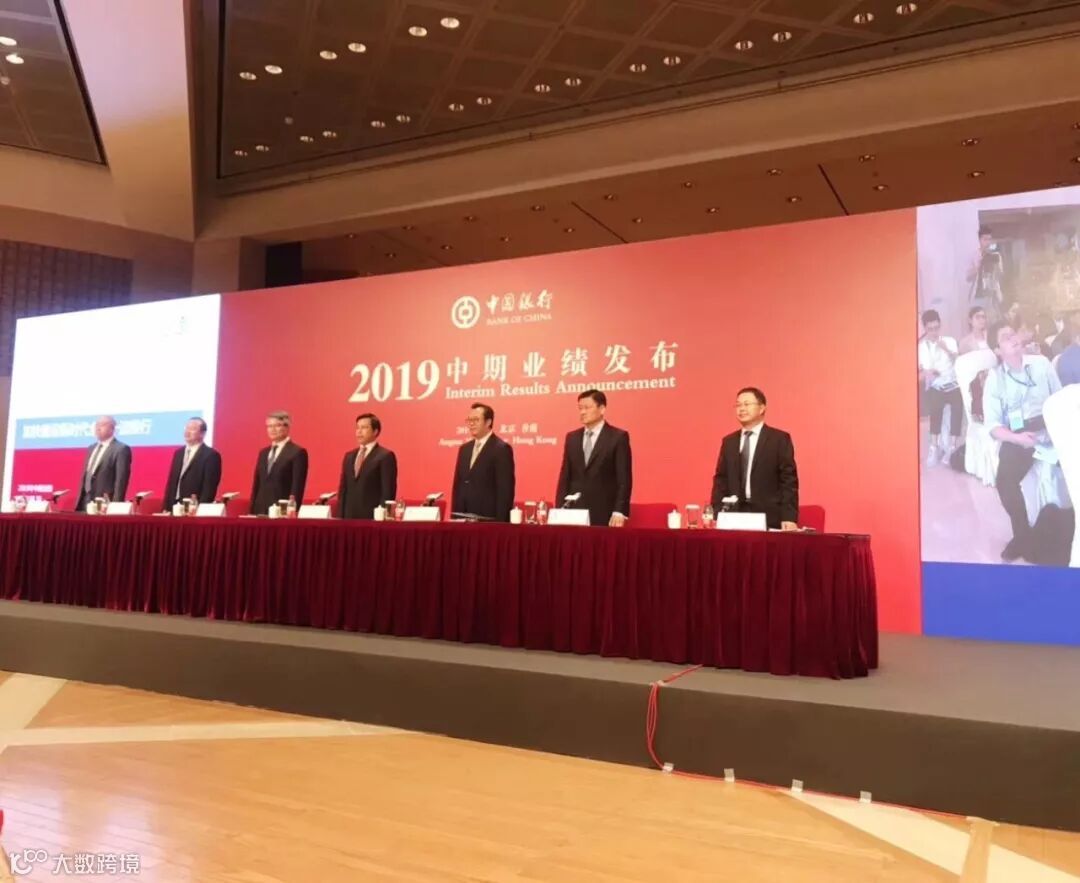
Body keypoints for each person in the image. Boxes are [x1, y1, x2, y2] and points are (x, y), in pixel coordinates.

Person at [982, 321, 1062, 562]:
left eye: (1013, 334)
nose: (1013, 338)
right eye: (1005, 338)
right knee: (1004, 482)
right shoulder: (995, 379)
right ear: (998, 350)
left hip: (1050, 424)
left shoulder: (1041, 363)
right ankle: (1022, 535)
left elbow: (1059, 398)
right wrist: (1017, 438)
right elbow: (993, 426)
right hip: (1018, 433)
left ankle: (1063, 528)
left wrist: (1054, 430)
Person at [709, 387, 799, 530]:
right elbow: (721, 480)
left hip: (769, 516)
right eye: (738, 405)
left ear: (762, 408)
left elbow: (788, 481)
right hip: (733, 516)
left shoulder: (779, 439)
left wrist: (789, 517)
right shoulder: (729, 442)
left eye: (747, 404)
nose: (741, 409)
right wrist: (716, 513)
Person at [555, 390, 632, 527]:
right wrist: (560, 507)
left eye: (587, 408)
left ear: (602, 409)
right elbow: (565, 475)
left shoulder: (617, 437)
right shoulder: (572, 438)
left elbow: (624, 479)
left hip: (605, 511)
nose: (582, 412)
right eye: (580, 408)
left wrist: (619, 511)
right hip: (574, 511)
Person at [451, 403, 515, 522]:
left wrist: (501, 524)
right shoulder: (464, 449)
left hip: (488, 521)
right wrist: (454, 518)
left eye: (476, 420)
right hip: (462, 519)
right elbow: (457, 487)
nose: (471, 424)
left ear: (488, 422)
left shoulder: (501, 449)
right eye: (469, 420)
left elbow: (505, 491)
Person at [918, 310, 963, 467]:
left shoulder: (949, 341)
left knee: (957, 409)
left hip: (953, 383)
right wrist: (928, 372)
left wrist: (946, 349)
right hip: (937, 385)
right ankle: (934, 447)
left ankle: (952, 446)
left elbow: (958, 360)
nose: (934, 332)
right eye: (930, 329)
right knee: (935, 411)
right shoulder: (922, 347)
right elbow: (924, 369)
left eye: (936, 328)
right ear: (925, 328)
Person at [337, 413, 397, 520]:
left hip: (372, 518)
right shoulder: (349, 456)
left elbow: (387, 491)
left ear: (375, 431)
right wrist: (340, 516)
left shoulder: (385, 456)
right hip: (348, 518)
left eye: (364, 427)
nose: (359, 431)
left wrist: (382, 518)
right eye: (357, 428)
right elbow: (343, 489)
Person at [250, 410, 308, 514]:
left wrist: (291, 511)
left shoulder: (297, 452)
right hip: (260, 511)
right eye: (269, 426)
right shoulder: (263, 453)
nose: (272, 429)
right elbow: (257, 485)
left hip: (282, 511)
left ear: (287, 427)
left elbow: (297, 487)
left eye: (277, 425)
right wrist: (251, 510)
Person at [162, 417, 222, 512]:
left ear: (202, 433)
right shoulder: (178, 453)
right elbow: (171, 483)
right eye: (186, 428)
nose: (187, 432)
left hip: (194, 509)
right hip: (174, 507)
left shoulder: (211, 455)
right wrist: (166, 507)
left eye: (192, 429)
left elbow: (209, 488)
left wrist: (200, 510)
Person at [75, 416, 132, 511]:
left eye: (102, 425)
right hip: (85, 501)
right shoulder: (91, 448)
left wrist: (115, 506)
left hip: (105, 503)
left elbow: (121, 480)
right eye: (96, 425)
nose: (98, 428)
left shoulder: (121, 449)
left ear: (112, 428)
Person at [967, 226, 1004, 320]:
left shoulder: (995, 255)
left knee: (993, 321)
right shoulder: (974, 256)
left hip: (992, 296)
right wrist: (977, 266)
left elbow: (1000, 276)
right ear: (979, 240)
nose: (988, 242)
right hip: (978, 295)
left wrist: (997, 265)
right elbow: (968, 277)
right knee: (978, 321)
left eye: (989, 239)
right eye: (985, 239)